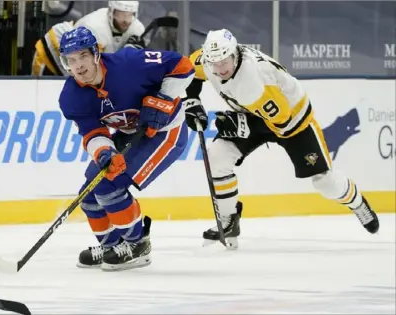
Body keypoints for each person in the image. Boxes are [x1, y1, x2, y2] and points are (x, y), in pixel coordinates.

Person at [183, 29, 380, 249]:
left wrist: (240, 125)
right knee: (217, 157)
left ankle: (357, 203)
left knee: (325, 182)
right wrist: (191, 100)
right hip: (253, 113)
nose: (220, 69)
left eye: (225, 62)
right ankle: (229, 221)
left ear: (235, 54)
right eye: (215, 63)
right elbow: (189, 71)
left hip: (293, 120)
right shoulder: (209, 60)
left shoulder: (253, 80)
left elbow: (282, 122)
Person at [58, 26, 194, 271]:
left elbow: (183, 66)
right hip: (131, 133)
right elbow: (92, 133)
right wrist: (104, 153)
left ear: (95, 54)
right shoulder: (71, 96)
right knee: (89, 193)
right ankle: (112, 245)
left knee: (109, 186)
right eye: (71, 60)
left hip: (166, 132)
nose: (78, 66)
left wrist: (164, 97)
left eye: (82, 57)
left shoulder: (130, 64)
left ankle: (137, 244)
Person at [75, 1, 145, 53]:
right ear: (111, 12)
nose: (126, 20)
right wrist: (126, 55)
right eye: (121, 14)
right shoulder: (92, 28)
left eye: (130, 15)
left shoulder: (138, 29)